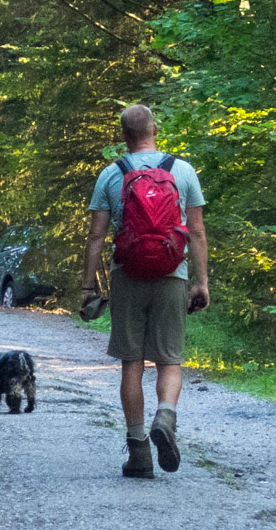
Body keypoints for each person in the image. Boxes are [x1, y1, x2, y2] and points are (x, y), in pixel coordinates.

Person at [78, 104, 210, 478]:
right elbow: (197, 232)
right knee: (169, 360)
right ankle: (165, 416)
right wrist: (201, 282)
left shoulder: (111, 174)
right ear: (155, 129)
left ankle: (139, 453)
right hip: (173, 274)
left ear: (124, 135)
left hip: (127, 276)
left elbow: (96, 237)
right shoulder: (182, 171)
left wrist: (88, 287)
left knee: (132, 364)